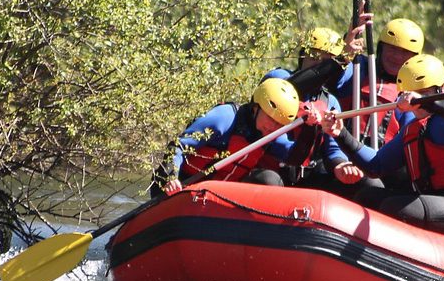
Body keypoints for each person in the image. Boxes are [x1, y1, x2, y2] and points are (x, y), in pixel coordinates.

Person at [322, 54, 444, 243]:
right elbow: (376, 165)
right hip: (437, 201)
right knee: (366, 196)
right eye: (411, 93)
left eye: (423, 92)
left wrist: (428, 101)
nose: (416, 100)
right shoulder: (415, 126)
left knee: (396, 207)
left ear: (440, 88)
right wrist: (340, 133)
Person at [151, 77, 303, 197]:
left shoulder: (271, 135)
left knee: (269, 180)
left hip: (218, 197)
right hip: (181, 188)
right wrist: (171, 177)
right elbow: (178, 146)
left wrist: (311, 127)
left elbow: (295, 157)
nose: (273, 128)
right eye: (270, 119)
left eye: (279, 124)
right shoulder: (225, 118)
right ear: (256, 107)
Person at [261, 27, 365, 191]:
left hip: (306, 177)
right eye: (314, 57)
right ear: (302, 57)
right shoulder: (278, 78)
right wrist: (340, 60)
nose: (318, 65)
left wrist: (340, 165)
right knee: (270, 179)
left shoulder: (330, 102)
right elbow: (292, 87)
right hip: (269, 171)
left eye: (326, 61)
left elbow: (333, 150)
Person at [335, 16, 424, 146]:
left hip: (381, 160)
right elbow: (337, 77)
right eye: (392, 48)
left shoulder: (415, 90)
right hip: (342, 154)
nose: (397, 57)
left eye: (405, 52)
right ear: (381, 49)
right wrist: (346, 51)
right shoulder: (359, 66)